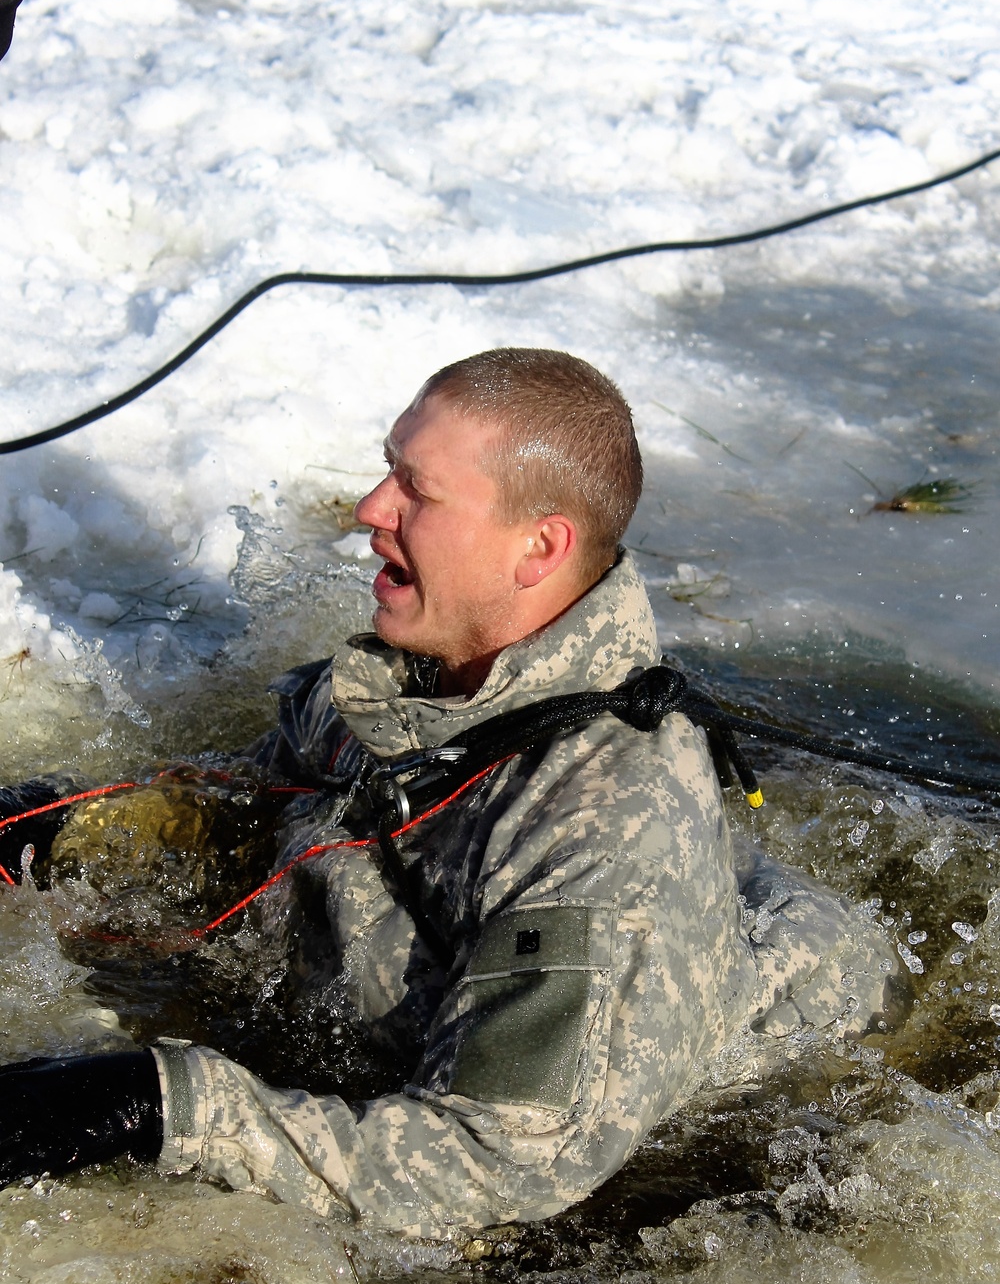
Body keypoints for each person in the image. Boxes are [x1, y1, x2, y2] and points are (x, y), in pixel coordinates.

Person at [0, 348, 890, 1238]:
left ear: (539, 547)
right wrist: (60, 825)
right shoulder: (430, 665)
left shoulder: (605, 828)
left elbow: (497, 1162)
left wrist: (161, 1107)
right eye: (390, 469)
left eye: (416, 492)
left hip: (665, 1081)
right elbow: (268, 782)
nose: (370, 510)